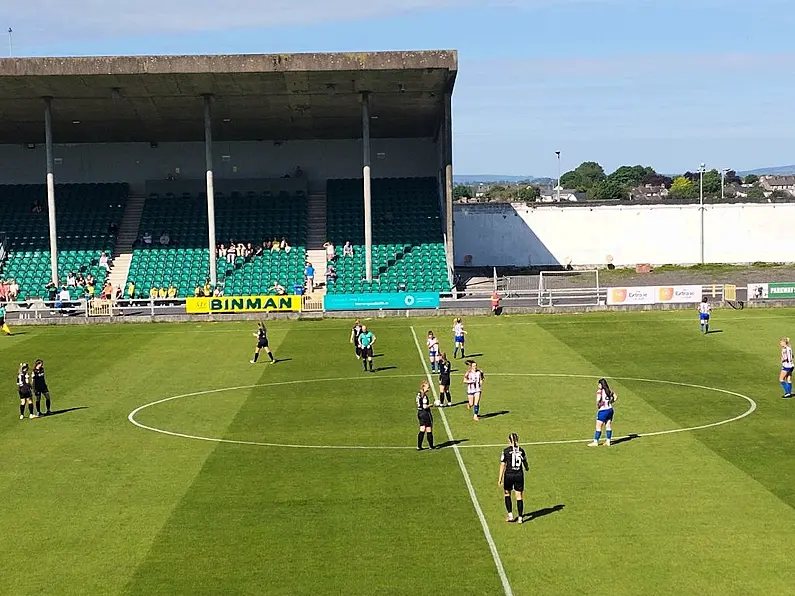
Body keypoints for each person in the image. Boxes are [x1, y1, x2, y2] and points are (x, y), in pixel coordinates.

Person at [498, 433, 529, 523]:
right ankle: (520, 518)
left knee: (507, 493)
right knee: (519, 496)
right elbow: (525, 461)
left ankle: (510, 515)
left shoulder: (506, 451)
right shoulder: (521, 450)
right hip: (519, 475)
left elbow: (502, 465)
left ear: (509, 440)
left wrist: (500, 479)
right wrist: (526, 468)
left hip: (509, 475)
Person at [588, 378, 617, 447]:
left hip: (603, 411)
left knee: (598, 427)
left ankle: (595, 442)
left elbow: (598, 401)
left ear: (601, 384)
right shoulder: (609, 390)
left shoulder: (599, 392)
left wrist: (598, 405)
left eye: (599, 384)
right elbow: (615, 397)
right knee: (608, 425)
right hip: (610, 409)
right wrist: (611, 402)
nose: (598, 385)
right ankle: (608, 441)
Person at [416, 380, 435, 450]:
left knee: (422, 429)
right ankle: (431, 446)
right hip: (425, 413)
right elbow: (424, 406)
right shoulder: (423, 396)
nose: (428, 389)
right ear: (423, 387)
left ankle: (419, 446)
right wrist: (431, 405)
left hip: (419, 413)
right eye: (427, 387)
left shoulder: (418, 394)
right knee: (429, 429)